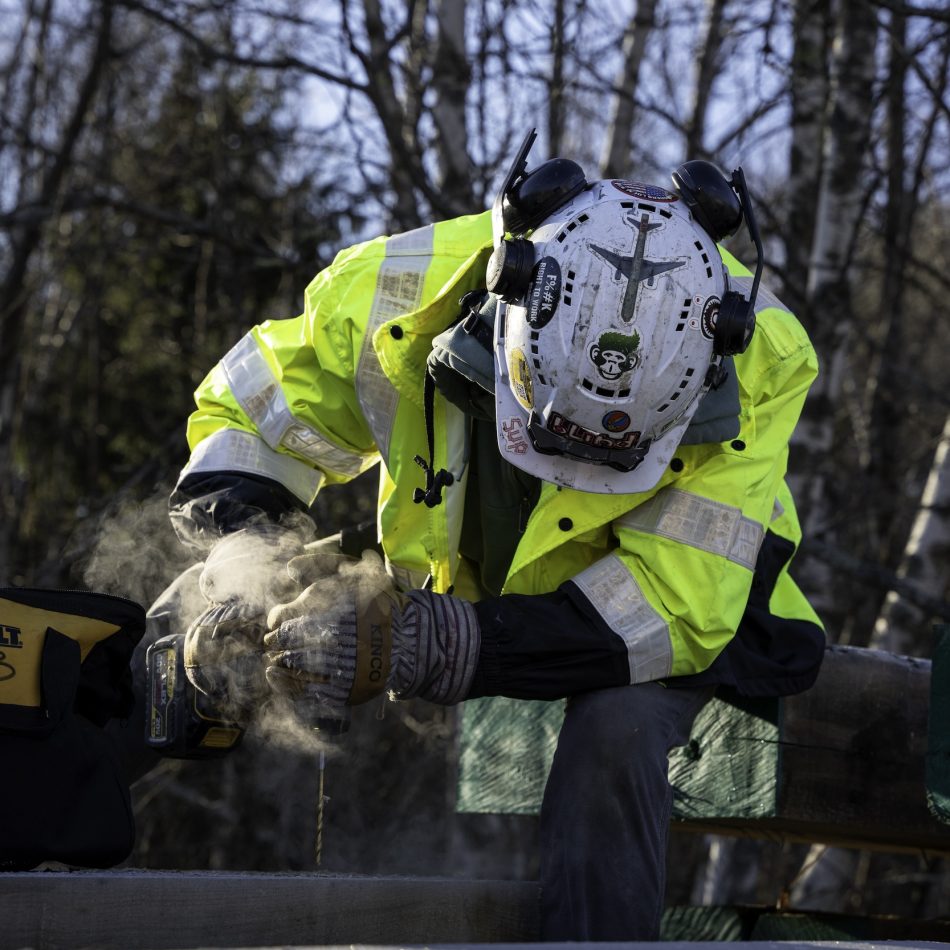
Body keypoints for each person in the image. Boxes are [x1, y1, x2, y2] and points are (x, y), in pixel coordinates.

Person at [165, 130, 825, 940]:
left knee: (615, 728)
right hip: (467, 586)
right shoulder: (393, 293)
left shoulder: (765, 355)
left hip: (685, 615)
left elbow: (672, 610)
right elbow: (251, 417)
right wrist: (246, 566)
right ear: (504, 307)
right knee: (187, 621)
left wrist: (433, 642)